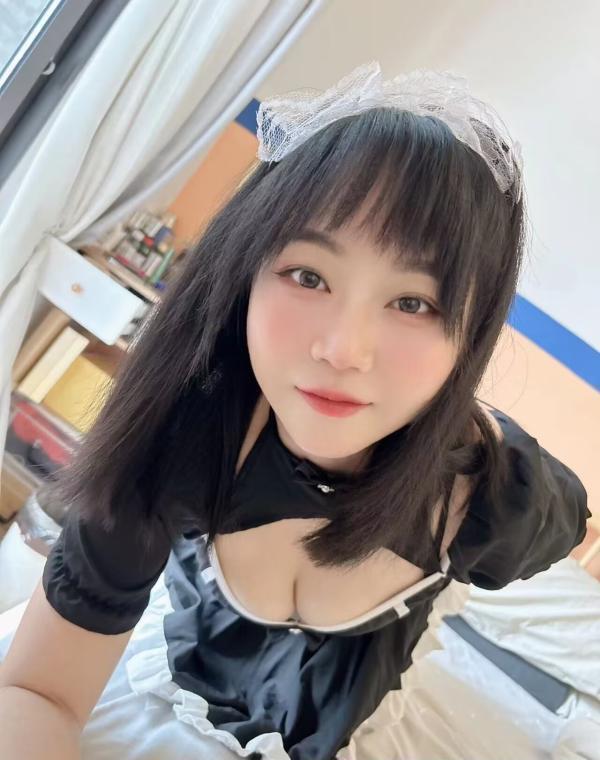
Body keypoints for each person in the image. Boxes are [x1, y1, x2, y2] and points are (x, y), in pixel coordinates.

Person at [0, 62, 590, 760]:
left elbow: (571, 527)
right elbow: (37, 691)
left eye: (413, 302)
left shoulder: (496, 498)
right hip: (174, 680)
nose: (342, 350)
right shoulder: (176, 442)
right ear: (245, 274)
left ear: (470, 335)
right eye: (308, 276)